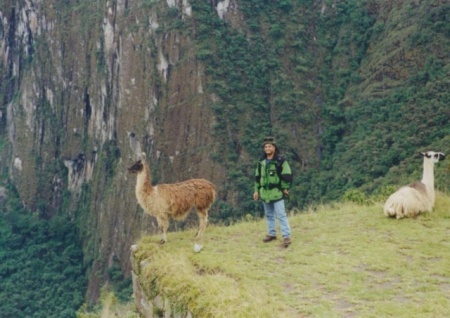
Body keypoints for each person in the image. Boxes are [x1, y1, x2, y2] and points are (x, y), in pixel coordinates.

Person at [253, 136, 293, 247]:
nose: (267, 148)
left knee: (281, 215)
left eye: (269, 146)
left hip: (277, 192)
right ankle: (272, 234)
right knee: (269, 215)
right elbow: (257, 177)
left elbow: (287, 174)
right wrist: (256, 190)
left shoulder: (280, 161)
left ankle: (286, 236)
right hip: (265, 193)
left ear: (274, 148)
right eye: (265, 146)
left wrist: (285, 188)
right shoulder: (261, 162)